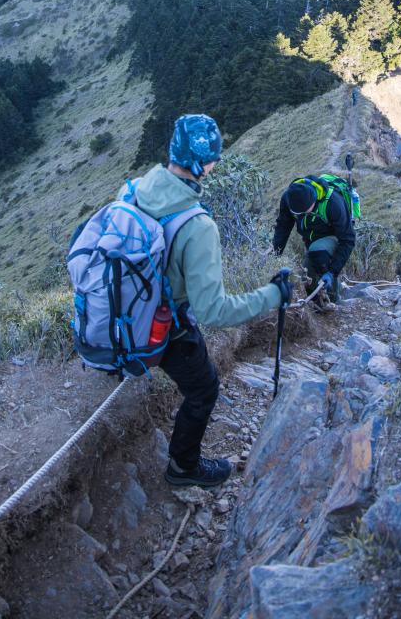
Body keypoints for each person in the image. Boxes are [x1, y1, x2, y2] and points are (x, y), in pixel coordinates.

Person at [136, 114, 292, 488]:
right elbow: (212, 311)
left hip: (127, 312)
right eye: (213, 158)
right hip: (165, 323)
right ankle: (183, 468)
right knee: (204, 389)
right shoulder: (197, 226)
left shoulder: (139, 188)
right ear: (201, 163)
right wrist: (273, 294)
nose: (215, 164)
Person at [272, 175, 356, 303]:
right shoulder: (289, 198)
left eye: (305, 212)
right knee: (308, 275)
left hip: (333, 235)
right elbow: (283, 226)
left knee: (319, 255)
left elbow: (348, 239)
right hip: (311, 239)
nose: (302, 215)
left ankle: (332, 302)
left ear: (314, 201)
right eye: (298, 214)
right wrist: (275, 255)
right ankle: (317, 303)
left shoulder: (333, 203)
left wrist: (332, 272)